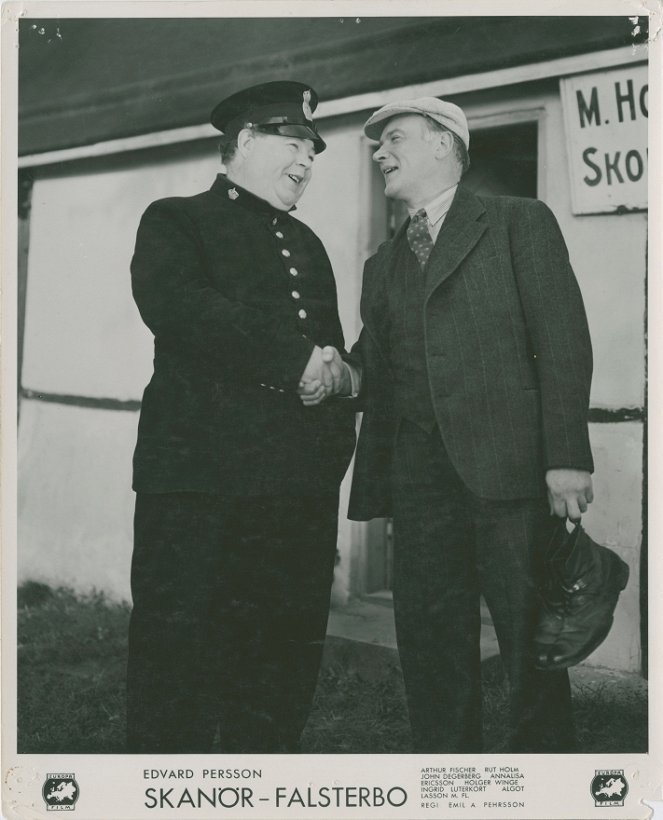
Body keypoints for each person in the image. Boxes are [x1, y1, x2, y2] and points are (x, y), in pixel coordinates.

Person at [302, 97, 595, 752]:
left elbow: (562, 338)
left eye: (394, 137)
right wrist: (333, 371)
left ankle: (544, 782)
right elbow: (369, 362)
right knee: (430, 646)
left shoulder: (519, 221)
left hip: (511, 476)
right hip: (418, 482)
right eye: (376, 143)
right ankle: (443, 779)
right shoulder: (381, 264)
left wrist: (567, 455)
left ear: (444, 143)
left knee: (531, 646)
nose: (379, 152)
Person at [126, 81, 356, 753]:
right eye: (293, 146)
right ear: (245, 143)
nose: (306, 163)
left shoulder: (307, 244)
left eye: (312, 153)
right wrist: (295, 361)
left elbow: (328, 353)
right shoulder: (176, 219)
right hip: (201, 487)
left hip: (292, 496)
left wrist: (331, 394)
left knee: (280, 664)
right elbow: (181, 308)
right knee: (180, 659)